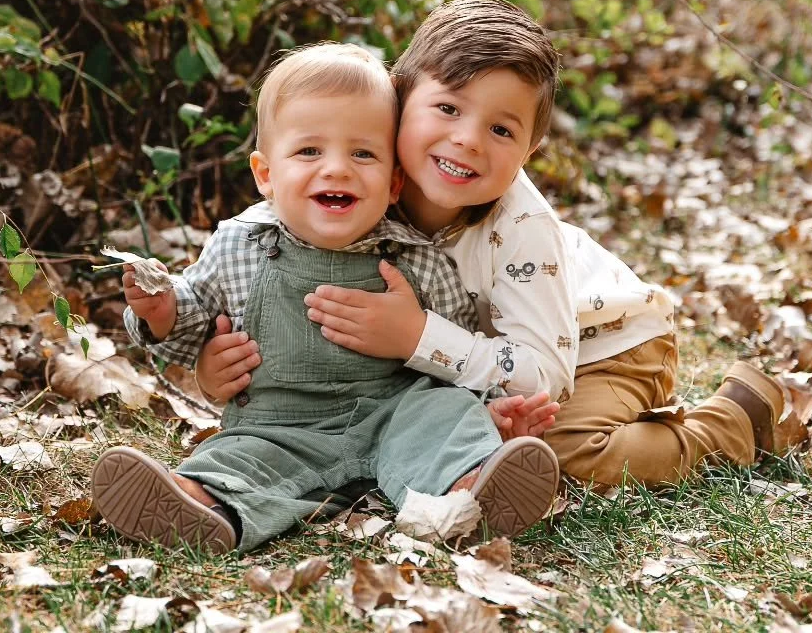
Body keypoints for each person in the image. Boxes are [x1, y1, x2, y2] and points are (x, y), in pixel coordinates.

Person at [182, 0, 802, 490]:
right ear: (400, 99)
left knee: (561, 457)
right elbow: (272, 251)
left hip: (602, 344)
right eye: (447, 107)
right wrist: (215, 372)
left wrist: (416, 336)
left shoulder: (520, 228)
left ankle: (734, 420)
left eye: (502, 128)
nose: (469, 140)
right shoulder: (355, 176)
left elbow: (543, 377)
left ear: (531, 149)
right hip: (472, 365)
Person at [95, 42, 559, 553]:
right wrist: (163, 311)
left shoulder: (420, 257)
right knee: (239, 456)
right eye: (309, 151)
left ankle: (468, 491)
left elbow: (454, 357)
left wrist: (490, 410)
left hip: (396, 416)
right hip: (281, 426)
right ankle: (201, 504)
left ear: (394, 182)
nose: (337, 169)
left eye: (363, 153)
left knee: (443, 416)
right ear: (266, 174)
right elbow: (196, 316)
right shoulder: (239, 244)